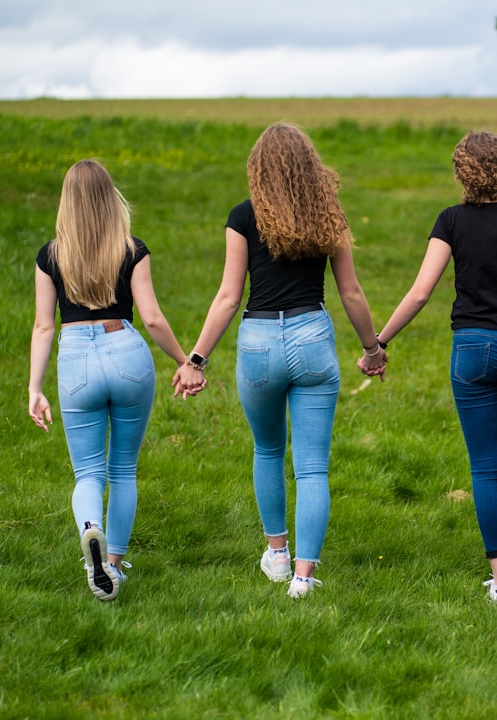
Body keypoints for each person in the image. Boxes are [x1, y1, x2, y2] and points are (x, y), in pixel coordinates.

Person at [172, 122, 385, 600]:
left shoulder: (242, 216)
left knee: (268, 450)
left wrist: (196, 360)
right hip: (313, 336)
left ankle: (277, 553)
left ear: (258, 169)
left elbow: (229, 296)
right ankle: (305, 579)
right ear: (310, 167)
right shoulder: (328, 214)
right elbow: (350, 292)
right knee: (312, 468)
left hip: (259, 341)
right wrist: (372, 348)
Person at [368, 131, 497, 604]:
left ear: (463, 171)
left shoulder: (451, 221)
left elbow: (421, 292)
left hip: (472, 348)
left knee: (485, 468)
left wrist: (378, 343)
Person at [29, 160, 191, 601]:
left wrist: (35, 387)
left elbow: (44, 326)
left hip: (76, 358)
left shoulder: (50, 255)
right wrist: (186, 361)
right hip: (126, 354)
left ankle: (90, 532)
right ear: (109, 198)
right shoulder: (132, 248)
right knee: (122, 469)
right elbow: (153, 318)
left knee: (88, 472)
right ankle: (113, 566)